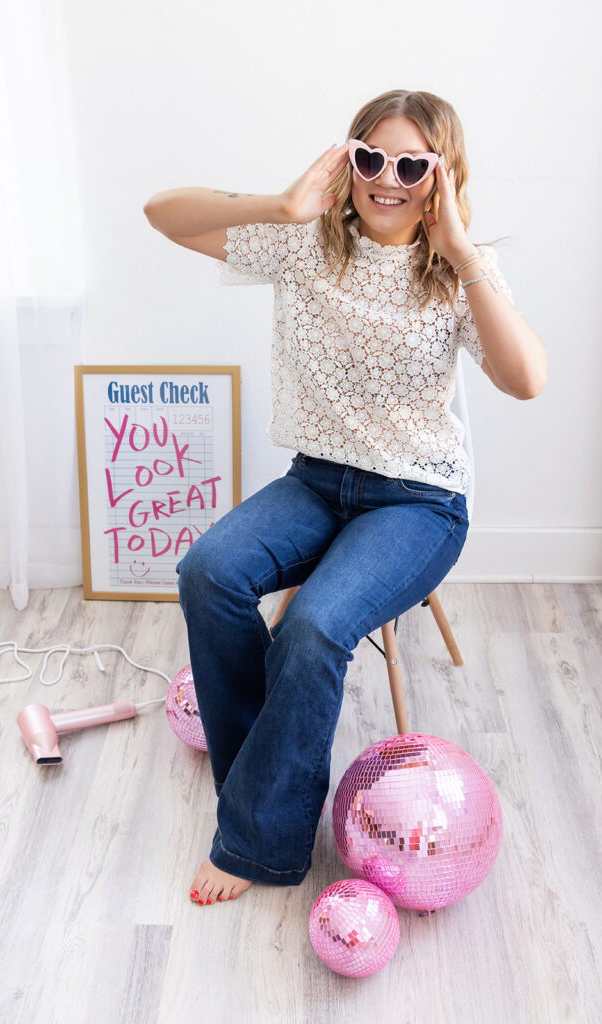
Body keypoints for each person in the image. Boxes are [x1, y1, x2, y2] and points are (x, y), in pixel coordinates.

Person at [142, 89, 547, 908]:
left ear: (441, 175)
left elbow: (527, 380)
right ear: (347, 160)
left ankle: (256, 840)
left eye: (411, 164)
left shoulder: (459, 272)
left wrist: (464, 249)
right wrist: (284, 202)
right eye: (371, 157)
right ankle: (262, 775)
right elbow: (160, 213)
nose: (386, 178)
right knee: (208, 571)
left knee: (316, 625)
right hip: (318, 480)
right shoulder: (304, 243)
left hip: (418, 502)